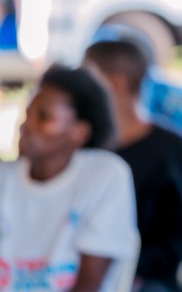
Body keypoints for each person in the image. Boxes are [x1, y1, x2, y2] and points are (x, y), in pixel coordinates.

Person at [0, 65, 140, 292]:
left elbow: (88, 286)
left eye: (43, 117)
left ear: (80, 132)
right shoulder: (5, 178)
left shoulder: (104, 177)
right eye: (27, 114)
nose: (26, 125)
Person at [84, 39, 182, 292]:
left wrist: (121, 271)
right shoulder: (85, 146)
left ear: (115, 84)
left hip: (146, 279)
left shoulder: (173, 150)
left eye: (87, 81)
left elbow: (176, 242)